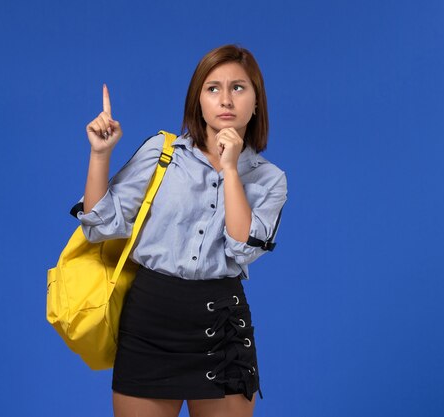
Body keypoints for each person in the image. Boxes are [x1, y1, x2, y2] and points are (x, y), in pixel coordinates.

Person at [73, 44, 287, 417]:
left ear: (256, 103)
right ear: (197, 100)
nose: (225, 99)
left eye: (238, 88)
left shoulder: (269, 179)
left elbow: (242, 247)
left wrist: (230, 169)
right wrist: (99, 155)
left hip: (222, 327)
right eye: (212, 88)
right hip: (149, 325)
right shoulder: (163, 153)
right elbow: (99, 225)